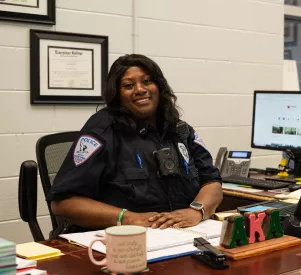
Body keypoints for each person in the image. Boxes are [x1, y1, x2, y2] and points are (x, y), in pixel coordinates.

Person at [47, 54, 223, 235]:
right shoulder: (102, 132)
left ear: (159, 87)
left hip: (181, 237)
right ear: (117, 94)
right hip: (121, 241)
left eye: (147, 81)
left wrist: (195, 211)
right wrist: (129, 218)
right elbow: (63, 202)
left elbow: (212, 182)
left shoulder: (180, 131)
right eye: (128, 85)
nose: (140, 89)